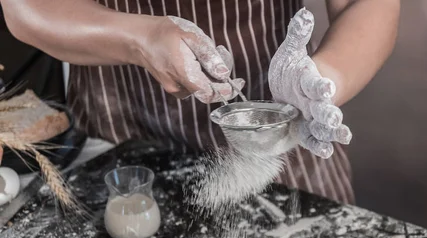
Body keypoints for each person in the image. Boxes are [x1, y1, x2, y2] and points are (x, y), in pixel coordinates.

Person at [1, 0, 400, 204]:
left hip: (280, 137)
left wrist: (323, 79)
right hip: (119, 146)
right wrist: (141, 39)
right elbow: (30, 6)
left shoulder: (299, 99)